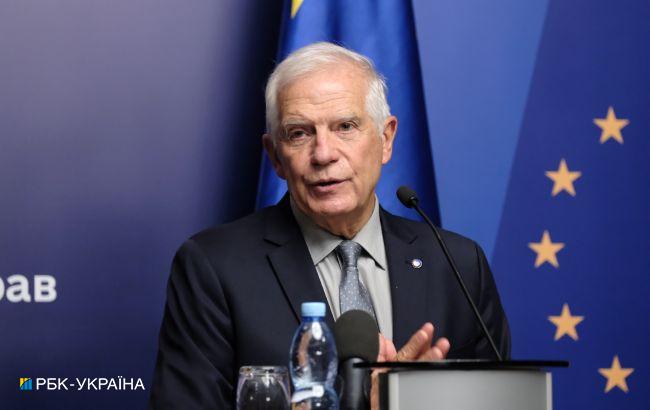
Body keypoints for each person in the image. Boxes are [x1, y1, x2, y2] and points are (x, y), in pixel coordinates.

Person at [149, 42, 510, 409]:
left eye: (345, 127)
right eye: (299, 133)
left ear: (386, 139)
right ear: (275, 156)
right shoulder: (213, 267)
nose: (323, 154)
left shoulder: (459, 265)